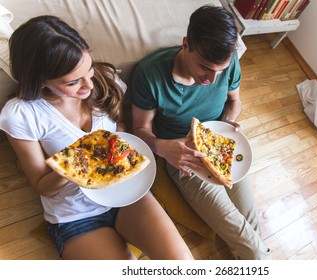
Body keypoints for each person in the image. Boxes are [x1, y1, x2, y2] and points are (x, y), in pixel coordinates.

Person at [0, 15, 193, 260]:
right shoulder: (21, 114)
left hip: (126, 194)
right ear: (41, 81)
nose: (88, 86)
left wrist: (122, 143)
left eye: (88, 70)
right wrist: (78, 161)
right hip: (76, 216)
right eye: (72, 83)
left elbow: (120, 122)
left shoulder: (105, 80)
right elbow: (42, 186)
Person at [130, 5, 272, 260]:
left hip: (221, 144)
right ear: (186, 45)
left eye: (221, 70)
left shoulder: (228, 63)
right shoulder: (150, 74)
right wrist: (162, 147)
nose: (213, 78)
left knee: (249, 219)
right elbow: (139, 129)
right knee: (241, 233)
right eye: (205, 67)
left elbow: (234, 102)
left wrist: (228, 123)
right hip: (184, 157)